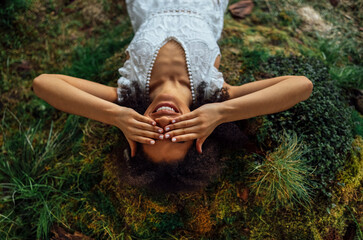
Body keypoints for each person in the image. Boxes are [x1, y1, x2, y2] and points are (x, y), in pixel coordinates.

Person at [32, 0, 313, 192]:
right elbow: (301, 86)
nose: (164, 122)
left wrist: (114, 115)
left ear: (134, 138)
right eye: (177, 135)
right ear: (200, 136)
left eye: (152, 134)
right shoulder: (218, 93)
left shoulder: (128, 92)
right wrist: (222, 113)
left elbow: (44, 83)